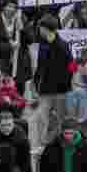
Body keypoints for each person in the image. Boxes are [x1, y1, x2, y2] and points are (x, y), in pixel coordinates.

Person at [32, 14, 73, 150]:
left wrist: (67, 83)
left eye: (41, 28)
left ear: (46, 29)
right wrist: (36, 86)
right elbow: (39, 67)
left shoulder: (63, 45)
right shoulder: (43, 45)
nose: (39, 30)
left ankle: (61, 145)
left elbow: (72, 66)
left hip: (61, 92)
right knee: (41, 119)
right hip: (45, 91)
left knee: (61, 121)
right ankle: (42, 146)